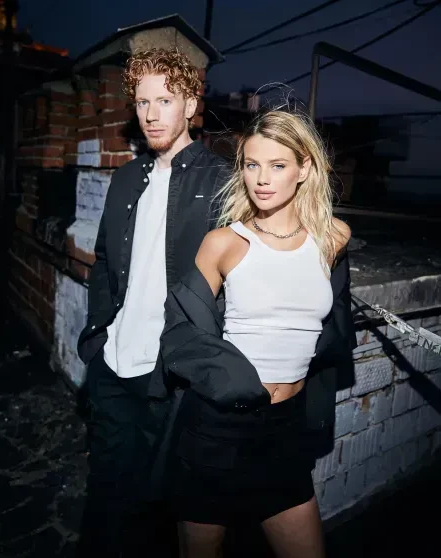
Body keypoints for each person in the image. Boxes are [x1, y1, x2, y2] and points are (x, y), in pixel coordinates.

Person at [148, 109, 356, 558]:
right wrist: (233, 381)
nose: (262, 179)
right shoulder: (224, 242)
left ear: (304, 169)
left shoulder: (333, 238)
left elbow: (332, 325)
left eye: (278, 165)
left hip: (286, 430)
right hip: (218, 428)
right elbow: (182, 332)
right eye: (251, 164)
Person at [76, 47, 228, 557]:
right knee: (105, 491)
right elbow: (104, 262)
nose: (151, 114)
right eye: (142, 102)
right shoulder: (126, 177)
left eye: (165, 100)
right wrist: (97, 337)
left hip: (169, 374)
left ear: (191, 105)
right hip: (113, 363)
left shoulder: (219, 180)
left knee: (156, 505)